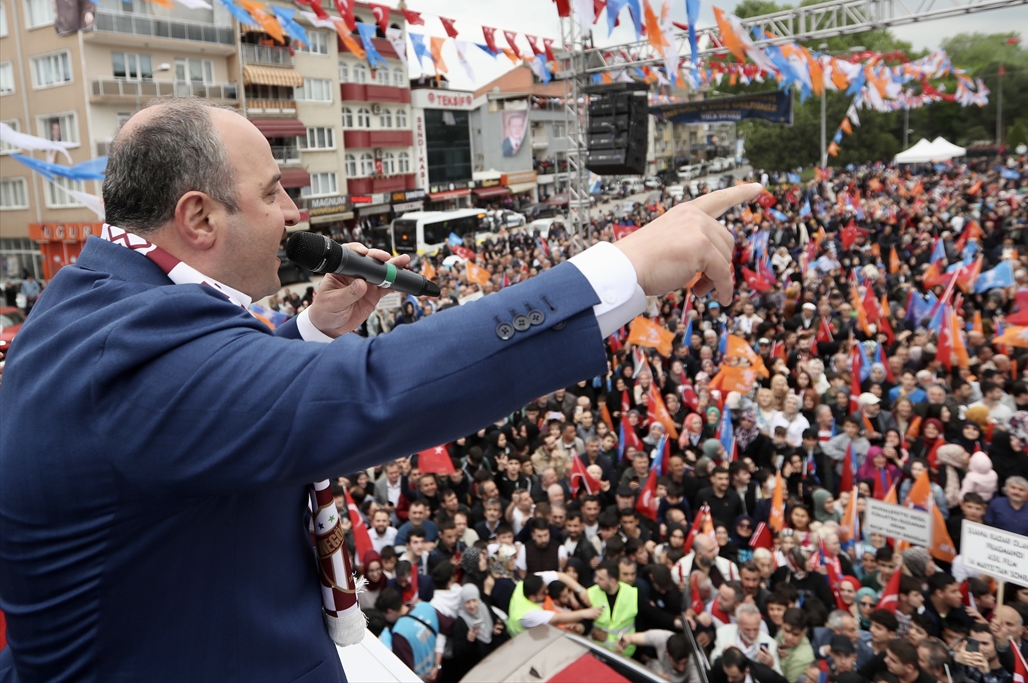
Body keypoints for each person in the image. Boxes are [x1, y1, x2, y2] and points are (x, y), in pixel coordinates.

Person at [0, 98, 762, 681]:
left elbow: (204, 433)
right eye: (273, 193)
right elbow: (377, 389)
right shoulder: (128, 351)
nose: (297, 214)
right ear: (198, 216)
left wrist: (308, 336)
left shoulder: (104, 301)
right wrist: (622, 267)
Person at [506, 573, 600, 636]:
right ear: (532, 597)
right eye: (543, 592)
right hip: (523, 638)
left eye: (545, 587)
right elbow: (557, 618)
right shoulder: (529, 615)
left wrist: (580, 590)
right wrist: (586, 613)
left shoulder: (524, 584)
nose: (547, 592)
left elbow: (558, 575)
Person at [621, 630, 703, 683]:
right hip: (658, 673)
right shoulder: (662, 638)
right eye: (676, 663)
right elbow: (631, 638)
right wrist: (625, 641)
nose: (681, 668)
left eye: (685, 663)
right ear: (667, 652)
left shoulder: (697, 661)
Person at [985, 477, 1028, 542]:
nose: (1017, 492)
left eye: (1021, 490)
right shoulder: (996, 504)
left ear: (1027, 493)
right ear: (1006, 489)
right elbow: (986, 527)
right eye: (1013, 488)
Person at [710, 646, 789, 683]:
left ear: (746, 671)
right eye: (727, 674)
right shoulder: (719, 666)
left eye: (734, 677)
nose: (729, 680)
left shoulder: (766, 675)